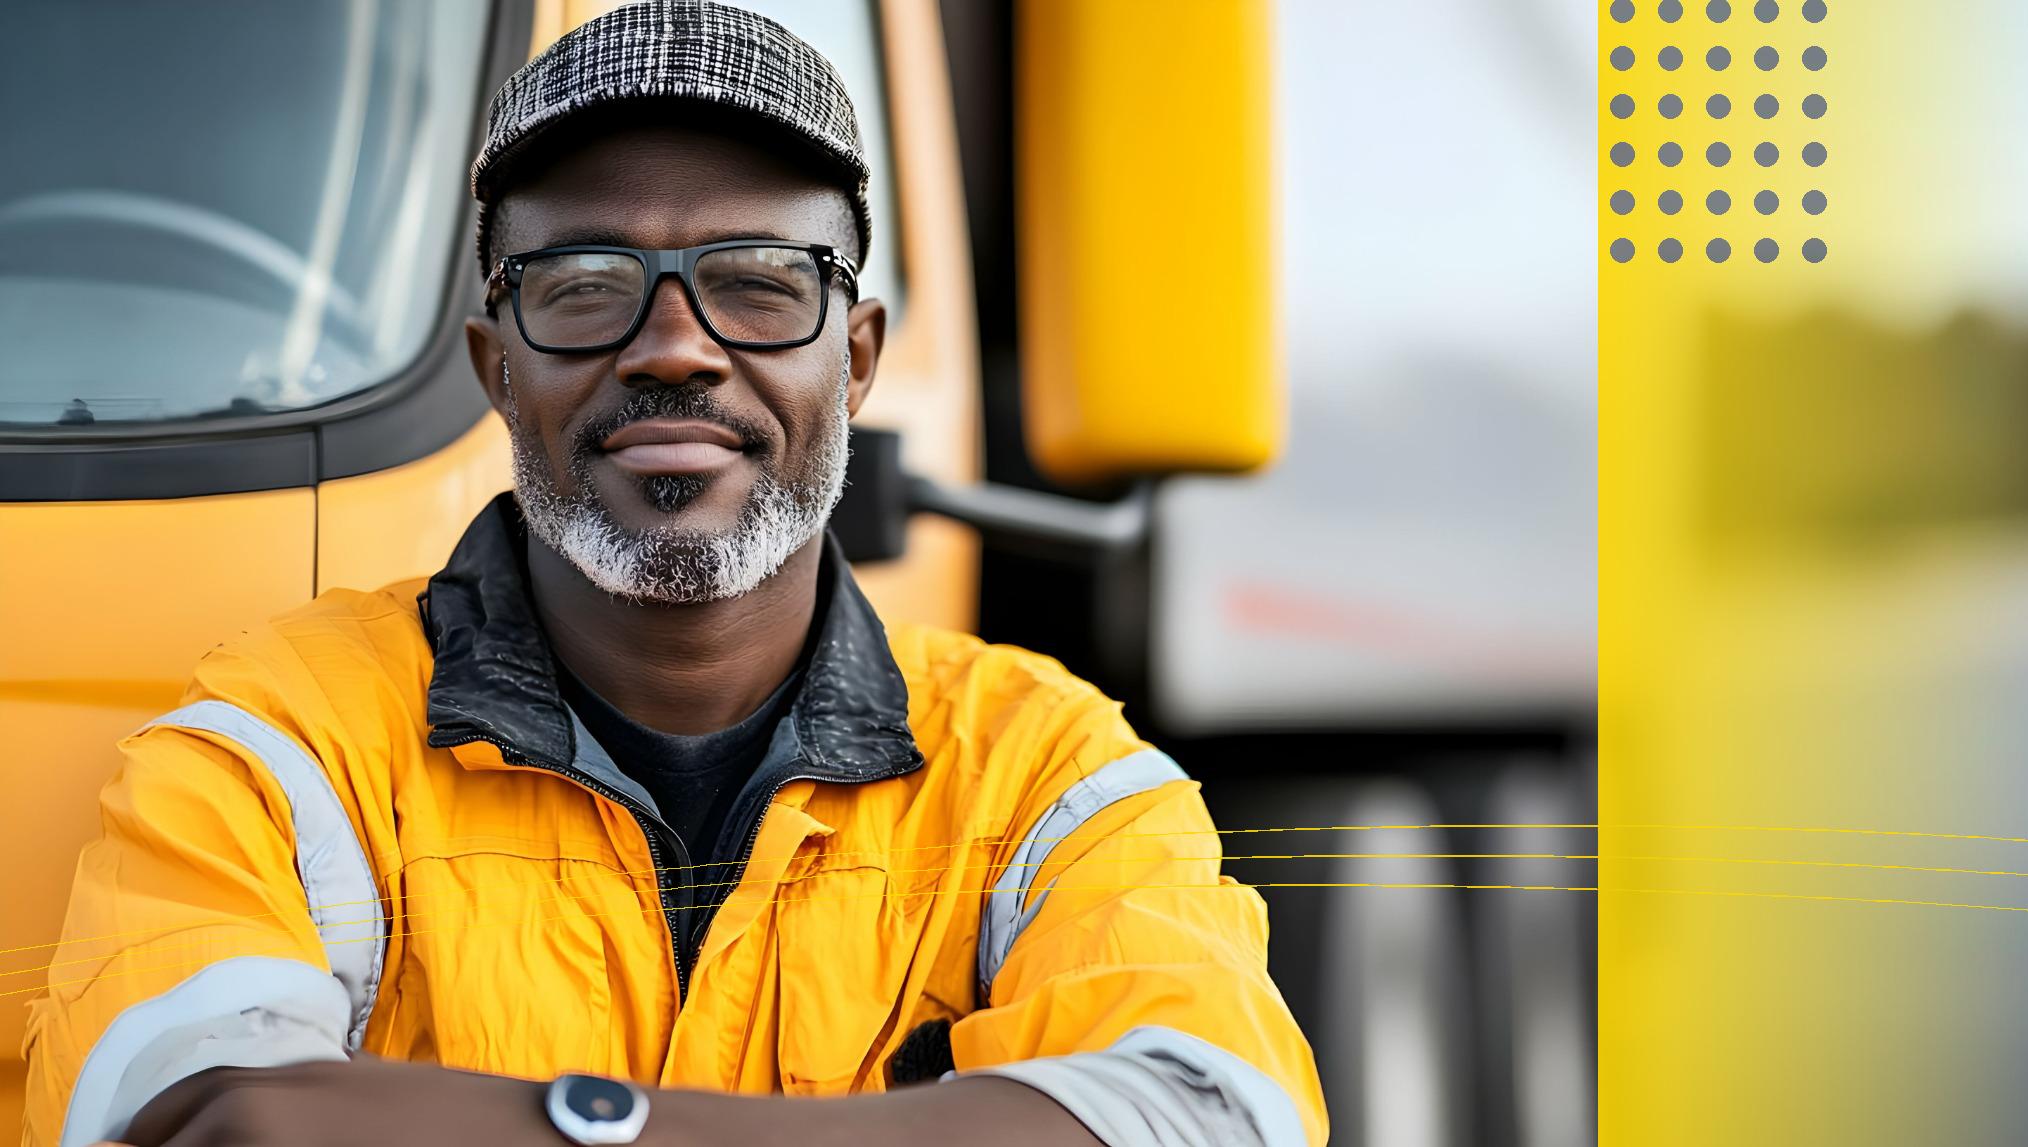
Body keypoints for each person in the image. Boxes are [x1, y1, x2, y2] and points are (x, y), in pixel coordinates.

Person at [22, 4, 1324, 1145]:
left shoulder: (1046, 770)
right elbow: (187, 1117)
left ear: (857, 360)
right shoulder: (282, 744)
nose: (676, 348)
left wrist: (572, 1130)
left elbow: (1216, 1114)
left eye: (760, 285)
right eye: (587, 285)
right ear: (497, 367)